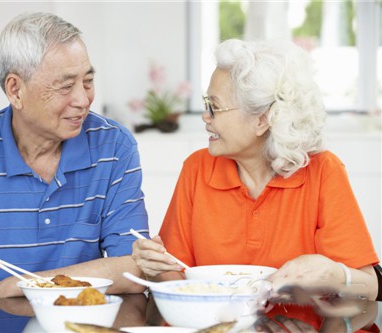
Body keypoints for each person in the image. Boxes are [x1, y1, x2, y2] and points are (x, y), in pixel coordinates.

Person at [0, 12, 148, 306]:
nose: (83, 99)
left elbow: (133, 267)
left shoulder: (113, 145)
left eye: (88, 81)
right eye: (66, 86)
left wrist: (20, 285)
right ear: (15, 90)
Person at [131, 39, 379, 303]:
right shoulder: (198, 168)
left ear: (263, 119)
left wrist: (336, 273)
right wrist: (156, 267)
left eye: (215, 106)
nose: (206, 116)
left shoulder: (322, 171)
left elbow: (369, 288)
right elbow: (176, 274)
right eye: (206, 104)